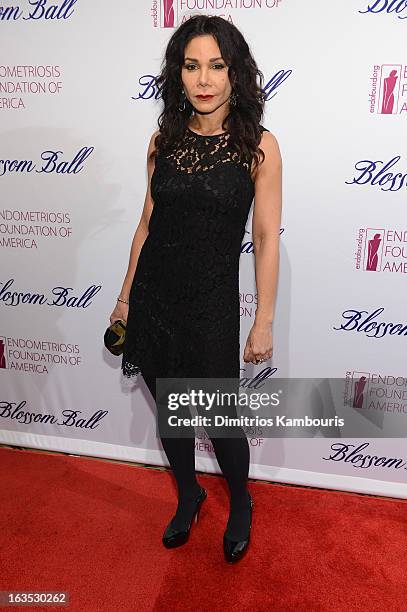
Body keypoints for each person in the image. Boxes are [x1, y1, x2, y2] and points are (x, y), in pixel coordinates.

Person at [109, 15, 282, 564]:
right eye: (191, 65)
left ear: (236, 74)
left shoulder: (258, 148)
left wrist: (264, 320)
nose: (204, 79)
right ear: (177, 73)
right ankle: (188, 495)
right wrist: (125, 298)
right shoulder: (164, 141)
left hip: (210, 303)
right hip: (157, 296)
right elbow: (146, 225)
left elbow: (264, 237)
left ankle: (242, 502)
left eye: (217, 65)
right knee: (170, 412)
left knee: (220, 420)